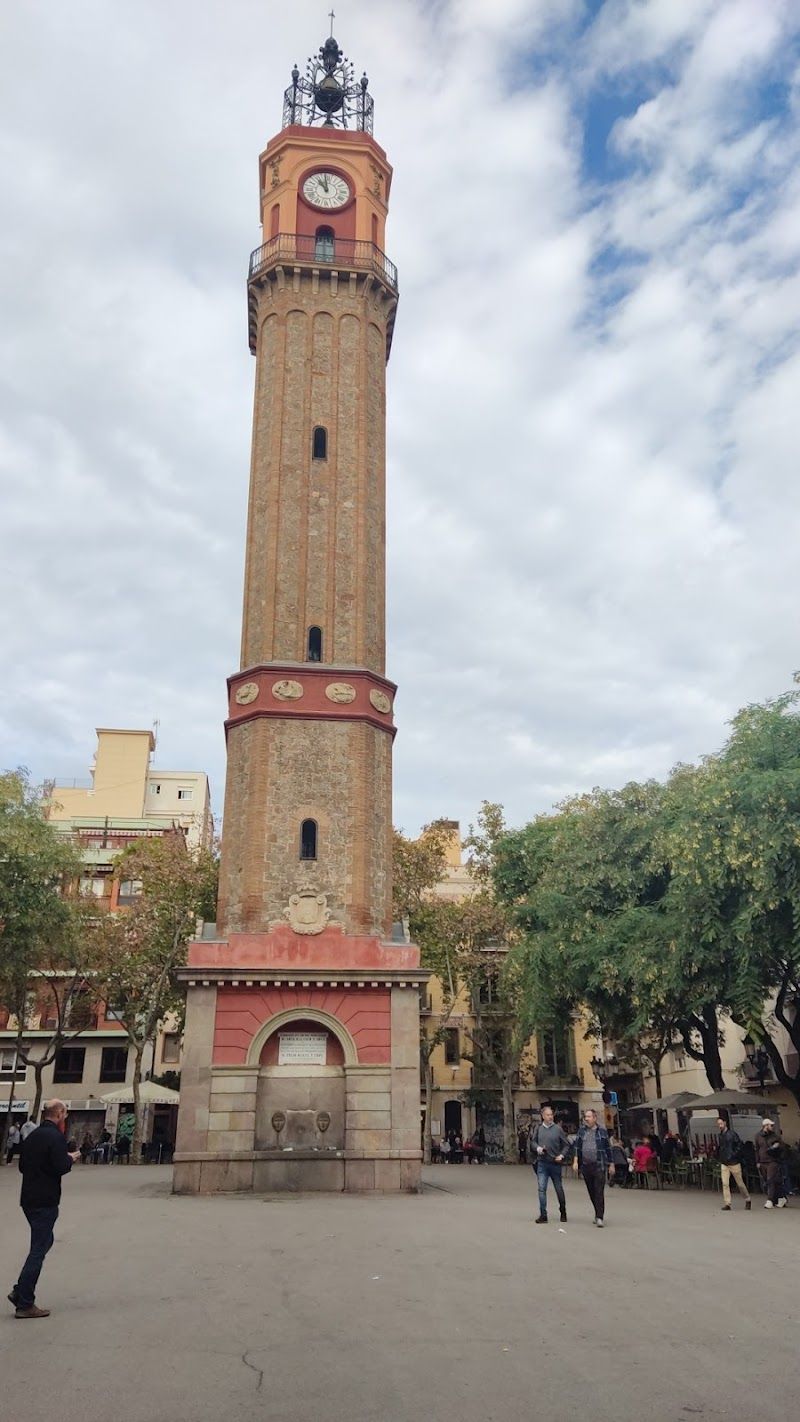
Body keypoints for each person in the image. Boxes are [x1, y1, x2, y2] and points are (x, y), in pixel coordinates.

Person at [8, 1099, 80, 1319]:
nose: (65, 1119)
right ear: (58, 1114)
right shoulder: (56, 1137)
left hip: (28, 1198)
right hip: (45, 1199)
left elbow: (22, 1166)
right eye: (65, 1115)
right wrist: (70, 1159)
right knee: (39, 1249)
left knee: (43, 1242)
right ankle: (25, 1302)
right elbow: (60, 1167)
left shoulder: (33, 1136)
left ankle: (20, 1290)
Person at [572, 1108, 615, 1226]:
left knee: (599, 1191)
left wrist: (611, 1164)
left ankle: (600, 1217)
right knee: (591, 1191)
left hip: (599, 1165)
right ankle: (597, 1213)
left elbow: (608, 1149)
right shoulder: (582, 1131)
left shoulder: (602, 1131)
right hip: (586, 1166)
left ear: (595, 1118)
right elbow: (577, 1147)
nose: (586, 1119)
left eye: (589, 1117)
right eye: (585, 1117)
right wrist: (575, 1161)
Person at [530, 1105, 572, 1223]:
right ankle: (543, 1215)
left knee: (558, 1188)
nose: (550, 1117)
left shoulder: (558, 1129)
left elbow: (566, 1145)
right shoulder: (538, 1129)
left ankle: (563, 1211)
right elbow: (533, 1142)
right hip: (542, 1163)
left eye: (551, 1115)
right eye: (548, 1115)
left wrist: (562, 1155)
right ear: (543, 1116)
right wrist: (538, 1148)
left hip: (555, 1163)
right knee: (541, 1189)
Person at [716, 1114, 751, 1212]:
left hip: (734, 1162)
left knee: (740, 1183)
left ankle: (747, 1198)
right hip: (725, 1162)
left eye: (721, 1123)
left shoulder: (732, 1134)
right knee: (725, 1183)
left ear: (725, 1123)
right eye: (718, 1124)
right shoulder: (721, 1135)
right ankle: (727, 1203)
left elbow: (739, 1145)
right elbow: (722, 1148)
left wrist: (733, 1155)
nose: (720, 1126)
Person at [755, 1118, 787, 1209]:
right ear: (765, 1126)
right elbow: (757, 1149)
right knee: (772, 1181)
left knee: (770, 1179)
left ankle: (770, 1200)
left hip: (773, 1161)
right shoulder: (758, 1136)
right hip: (763, 1161)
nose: (772, 1127)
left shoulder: (774, 1136)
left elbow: (781, 1146)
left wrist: (777, 1147)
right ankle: (781, 1198)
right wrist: (757, 1161)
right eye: (771, 1125)